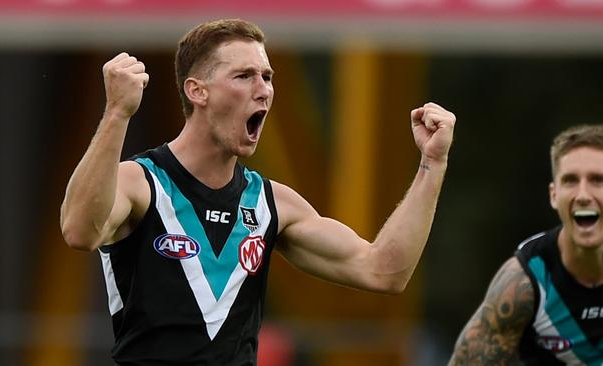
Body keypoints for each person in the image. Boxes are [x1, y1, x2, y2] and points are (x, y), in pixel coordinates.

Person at [60, 18, 456, 365]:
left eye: (267, 77)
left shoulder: (272, 203)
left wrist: (432, 165)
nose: (263, 89)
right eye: (244, 76)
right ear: (198, 91)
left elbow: (383, 271)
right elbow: (79, 231)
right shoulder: (140, 181)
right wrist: (117, 113)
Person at [449, 124, 603, 365]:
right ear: (554, 195)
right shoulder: (524, 282)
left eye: (598, 180)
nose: (583, 194)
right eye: (571, 180)